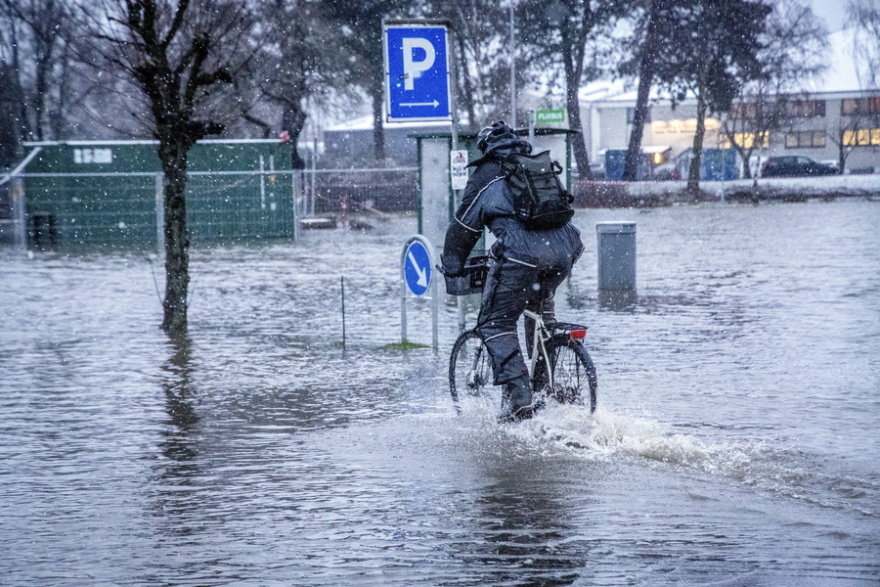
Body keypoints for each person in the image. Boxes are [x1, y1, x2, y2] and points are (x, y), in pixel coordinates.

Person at [440, 121, 584, 422]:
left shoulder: (485, 174)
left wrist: (452, 265)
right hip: (565, 249)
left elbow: (464, 228)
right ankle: (545, 387)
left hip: (522, 255)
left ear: (486, 149)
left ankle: (518, 403)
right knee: (540, 310)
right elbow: (541, 218)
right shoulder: (536, 166)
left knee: (496, 323)